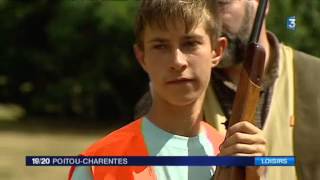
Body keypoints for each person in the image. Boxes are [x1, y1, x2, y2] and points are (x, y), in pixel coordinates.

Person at [68, 0, 266, 179]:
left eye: (190, 44)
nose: (177, 62)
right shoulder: (97, 166)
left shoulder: (235, 153)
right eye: (160, 46)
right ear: (142, 57)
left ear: (217, 51)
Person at [135, 0, 320, 179]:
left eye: (221, 3)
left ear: (261, 4)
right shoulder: (165, 98)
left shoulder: (315, 78)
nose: (211, 16)